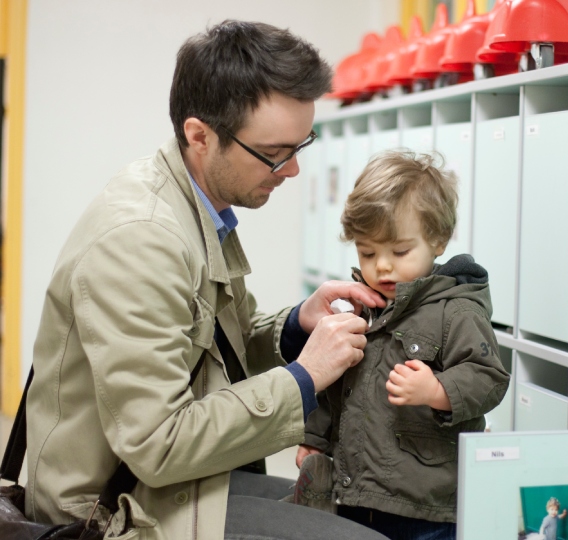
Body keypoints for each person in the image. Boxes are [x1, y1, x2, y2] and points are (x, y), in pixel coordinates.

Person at [24, 20, 391, 540]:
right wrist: (305, 378)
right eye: (275, 153)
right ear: (200, 135)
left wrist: (295, 326)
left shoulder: (198, 209)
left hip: (160, 483)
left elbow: (219, 345)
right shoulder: (141, 239)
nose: (291, 172)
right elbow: (161, 444)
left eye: (300, 145)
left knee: (347, 509)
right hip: (109, 511)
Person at [294, 150, 511, 539]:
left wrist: (438, 390)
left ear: (438, 239)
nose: (382, 267)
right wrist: (314, 438)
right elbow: (336, 386)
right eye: (367, 252)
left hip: (426, 504)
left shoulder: (456, 310)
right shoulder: (360, 307)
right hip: (355, 492)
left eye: (399, 251)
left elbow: (489, 377)